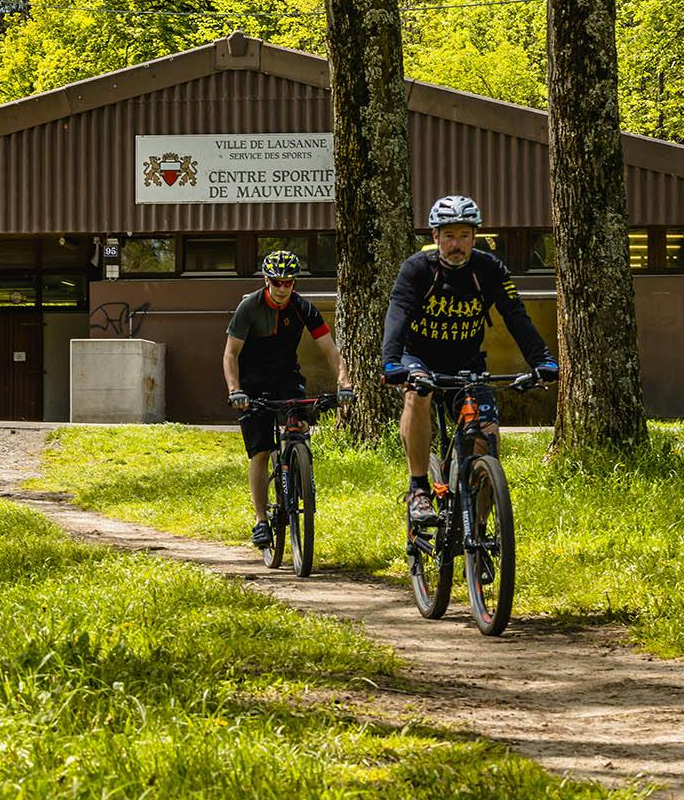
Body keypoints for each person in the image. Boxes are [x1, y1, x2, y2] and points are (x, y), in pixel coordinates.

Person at [381, 195, 559, 525]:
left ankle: (477, 535)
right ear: (435, 237)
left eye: (464, 235)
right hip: (418, 357)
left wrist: (543, 361)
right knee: (417, 395)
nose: (456, 244)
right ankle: (419, 488)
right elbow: (398, 314)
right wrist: (392, 363)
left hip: (468, 364)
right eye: (449, 235)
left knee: (488, 437)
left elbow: (516, 316)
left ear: (474, 237)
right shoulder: (417, 270)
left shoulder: (489, 269)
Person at [224, 250, 353, 548]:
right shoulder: (249, 307)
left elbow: (330, 350)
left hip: (286, 378)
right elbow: (230, 354)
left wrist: (344, 381)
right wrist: (235, 390)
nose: (283, 289)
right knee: (260, 452)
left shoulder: (302, 308)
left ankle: (298, 469)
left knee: (300, 426)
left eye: (289, 283)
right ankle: (260, 520)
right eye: (277, 282)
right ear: (266, 280)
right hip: (251, 384)